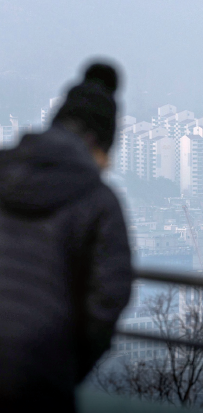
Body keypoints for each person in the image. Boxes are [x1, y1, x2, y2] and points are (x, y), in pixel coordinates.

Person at [0, 62, 133, 411]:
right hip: (38, 372)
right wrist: (66, 365)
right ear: (99, 147)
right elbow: (110, 297)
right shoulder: (98, 200)